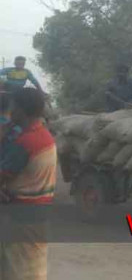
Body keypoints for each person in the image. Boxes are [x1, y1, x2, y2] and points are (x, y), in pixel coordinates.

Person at [0, 88, 56, 280]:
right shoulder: (43, 135)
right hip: (37, 213)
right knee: (32, 265)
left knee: (17, 268)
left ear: (22, 110)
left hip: (21, 215)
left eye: (13, 107)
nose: (10, 112)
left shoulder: (25, 141)